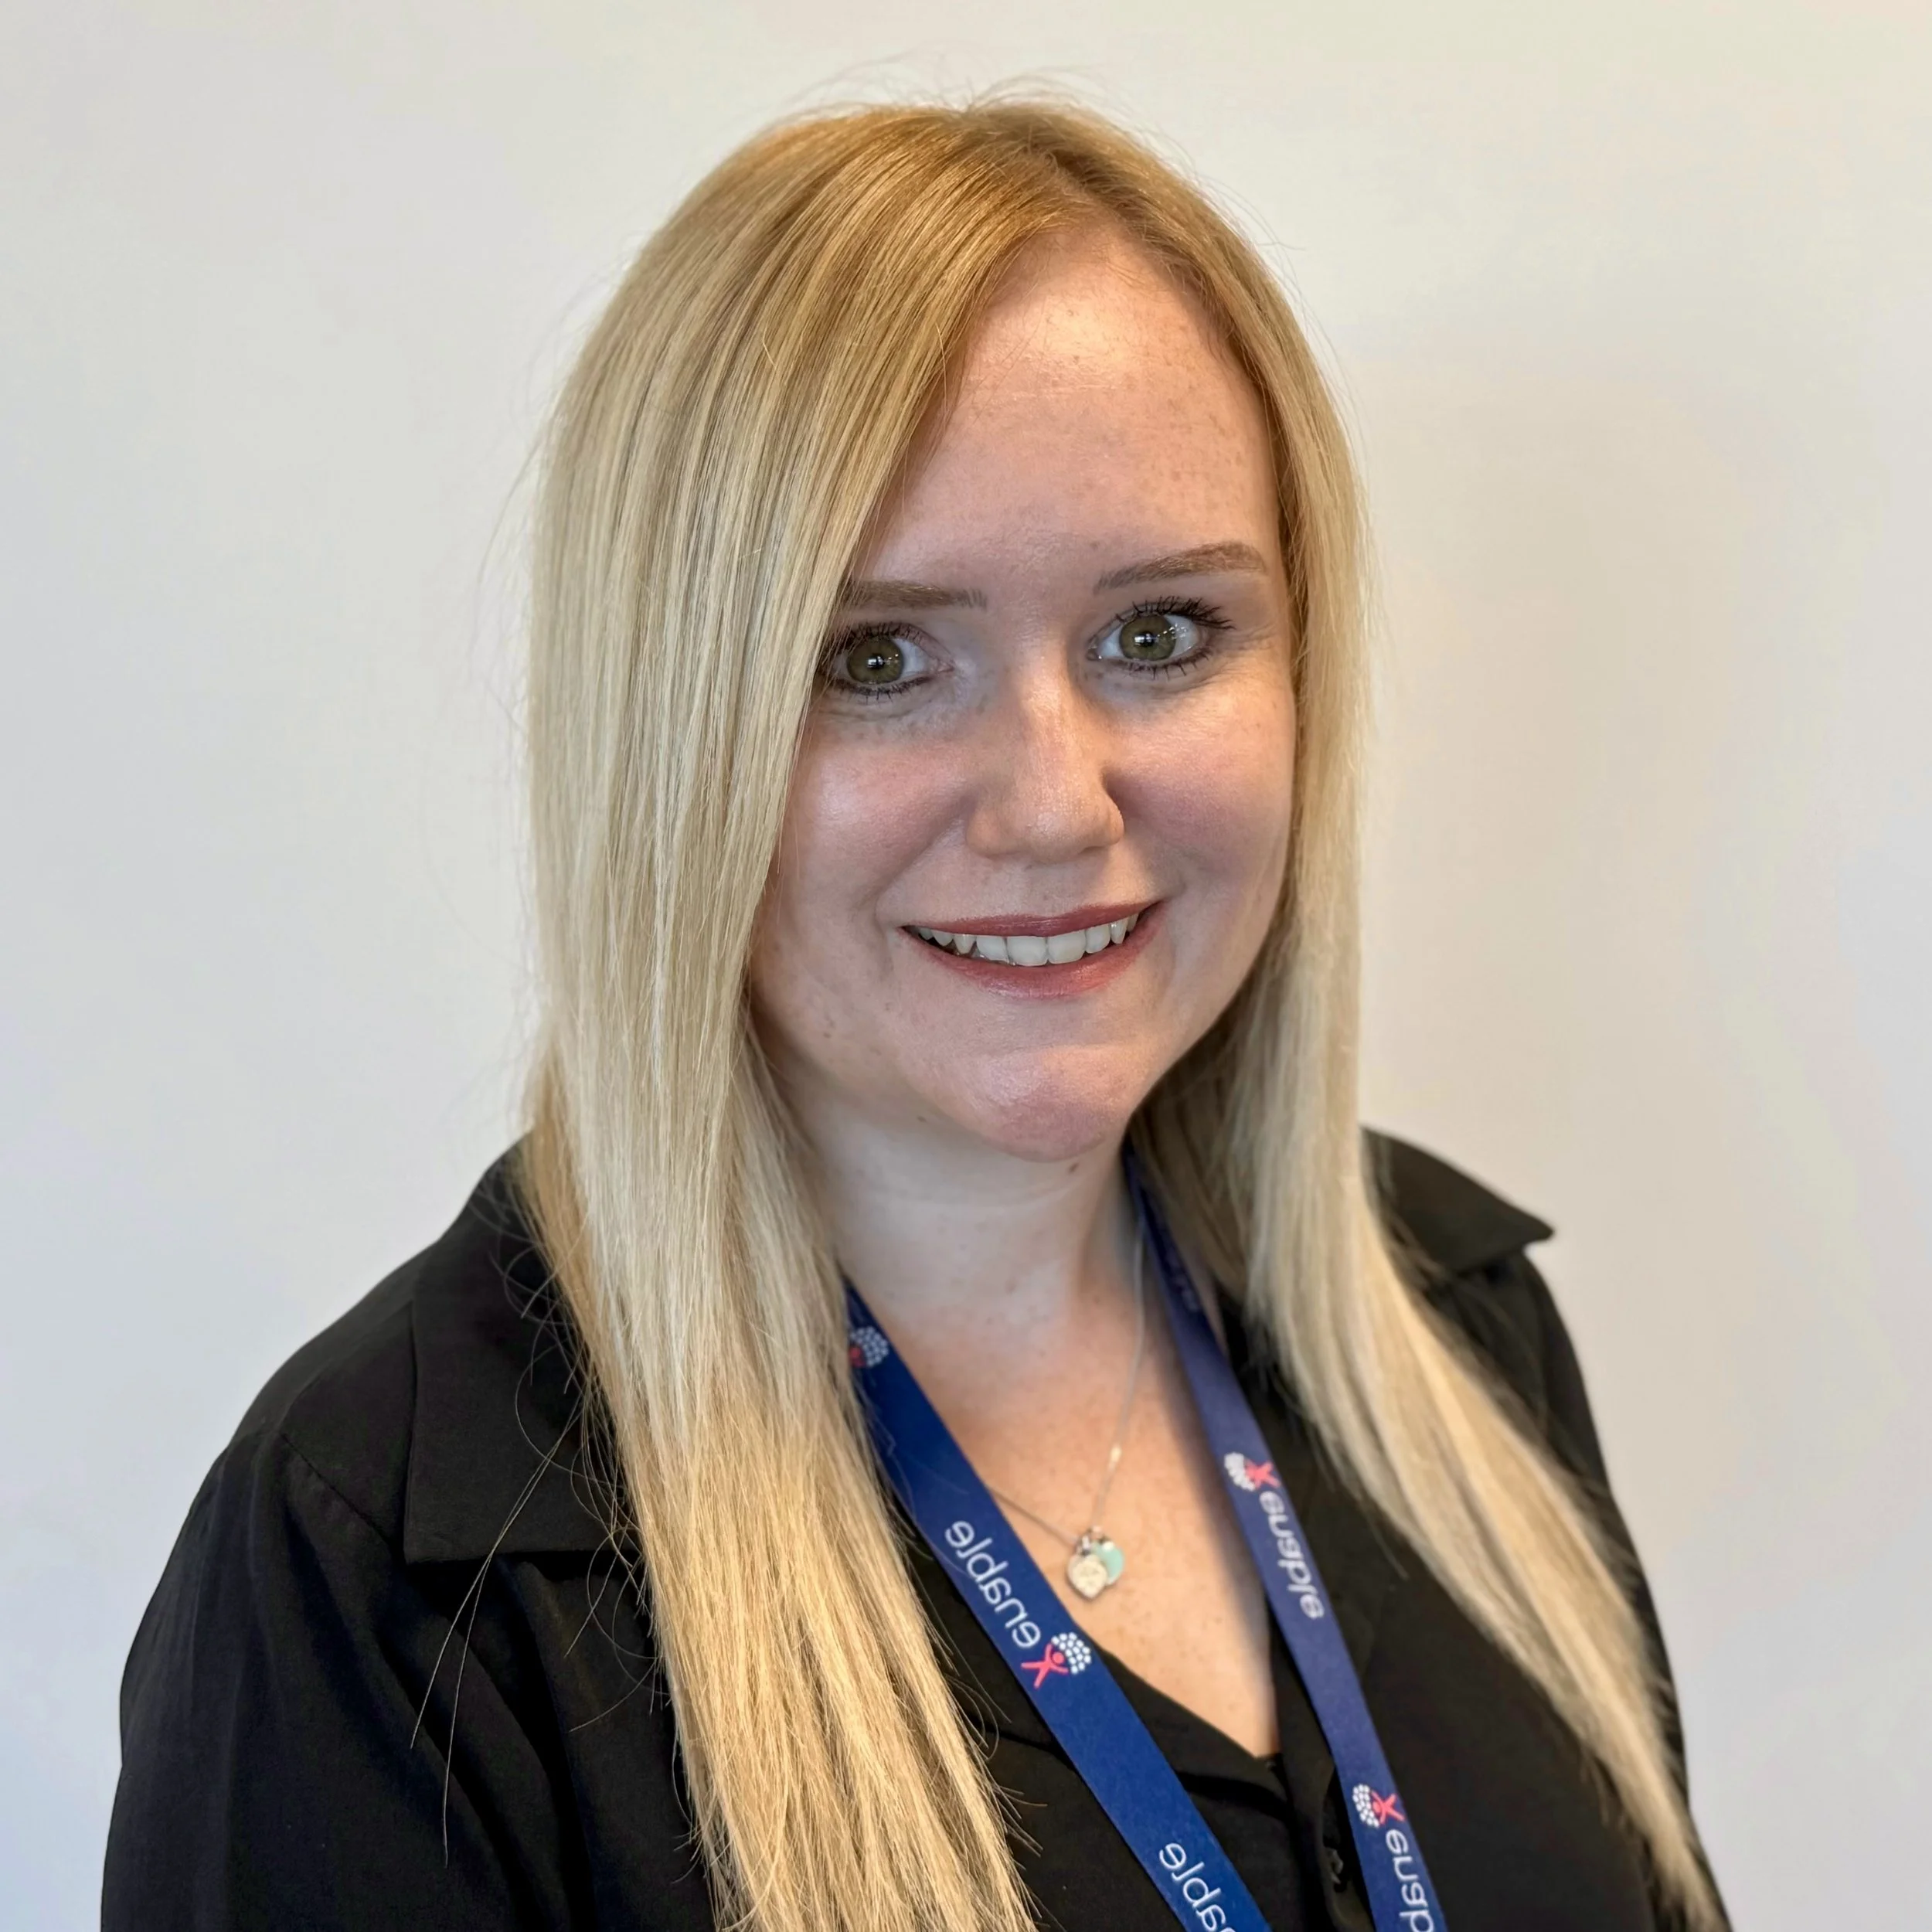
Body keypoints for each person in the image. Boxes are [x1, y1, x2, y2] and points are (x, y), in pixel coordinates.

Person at [104, 100, 1728, 1932]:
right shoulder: (393, 1580)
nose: (1052, 805)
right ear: (672, 725)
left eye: (1158, 633)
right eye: (873, 658)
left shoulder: (1450, 1329)